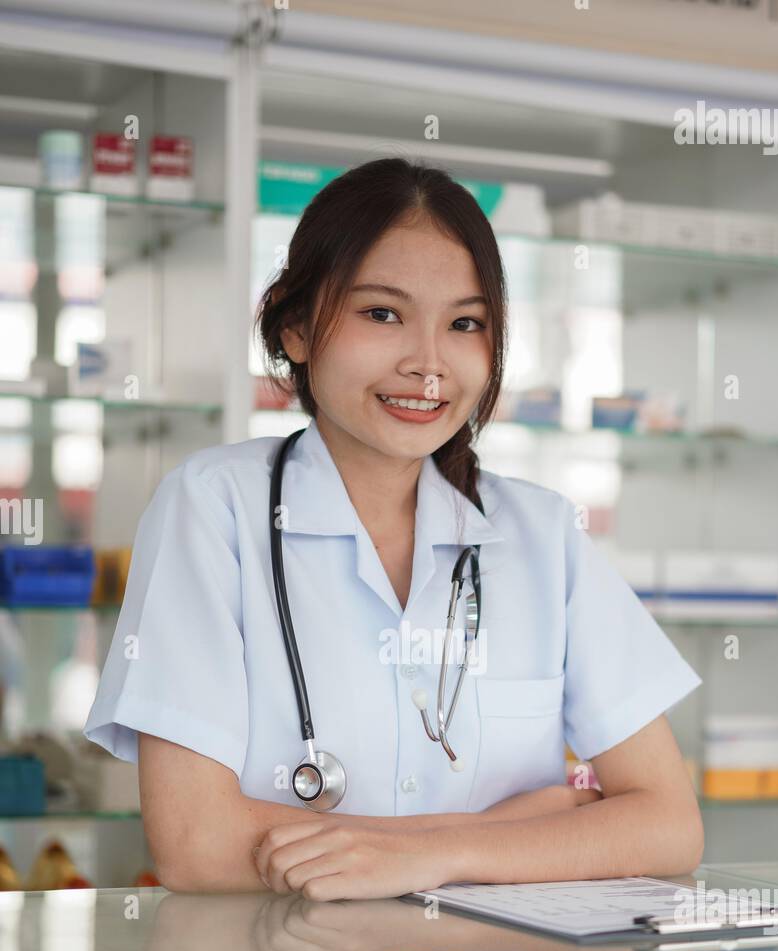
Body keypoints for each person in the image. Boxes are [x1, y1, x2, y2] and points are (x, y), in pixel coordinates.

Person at [84, 158, 703, 898]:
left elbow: (668, 828)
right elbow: (197, 845)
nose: (428, 364)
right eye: (382, 314)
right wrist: (503, 832)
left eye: (464, 324)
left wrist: (434, 856)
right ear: (295, 326)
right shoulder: (213, 508)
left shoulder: (542, 535)